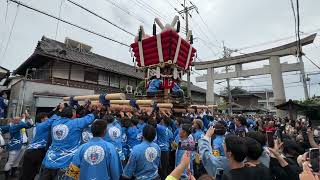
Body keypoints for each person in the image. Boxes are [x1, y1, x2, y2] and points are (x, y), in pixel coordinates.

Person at [40, 106, 98, 180]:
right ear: (73, 115)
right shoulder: (76, 123)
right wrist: (97, 110)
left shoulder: (55, 122)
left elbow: (54, 114)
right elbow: (89, 118)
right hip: (71, 163)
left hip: (50, 160)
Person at [20, 112, 59, 180]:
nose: (48, 118)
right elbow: (53, 119)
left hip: (35, 152)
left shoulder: (39, 125)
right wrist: (60, 110)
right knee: (27, 174)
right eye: (46, 117)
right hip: (33, 153)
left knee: (32, 173)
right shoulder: (41, 126)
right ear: (42, 119)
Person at [1, 114, 33, 179]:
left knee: (17, 162)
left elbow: (31, 124)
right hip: (15, 146)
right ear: (13, 120)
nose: (19, 120)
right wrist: (23, 118)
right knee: (10, 162)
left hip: (22, 145)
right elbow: (23, 124)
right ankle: (6, 177)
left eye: (19, 119)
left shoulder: (20, 125)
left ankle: (13, 174)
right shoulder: (13, 126)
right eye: (17, 120)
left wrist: (29, 117)